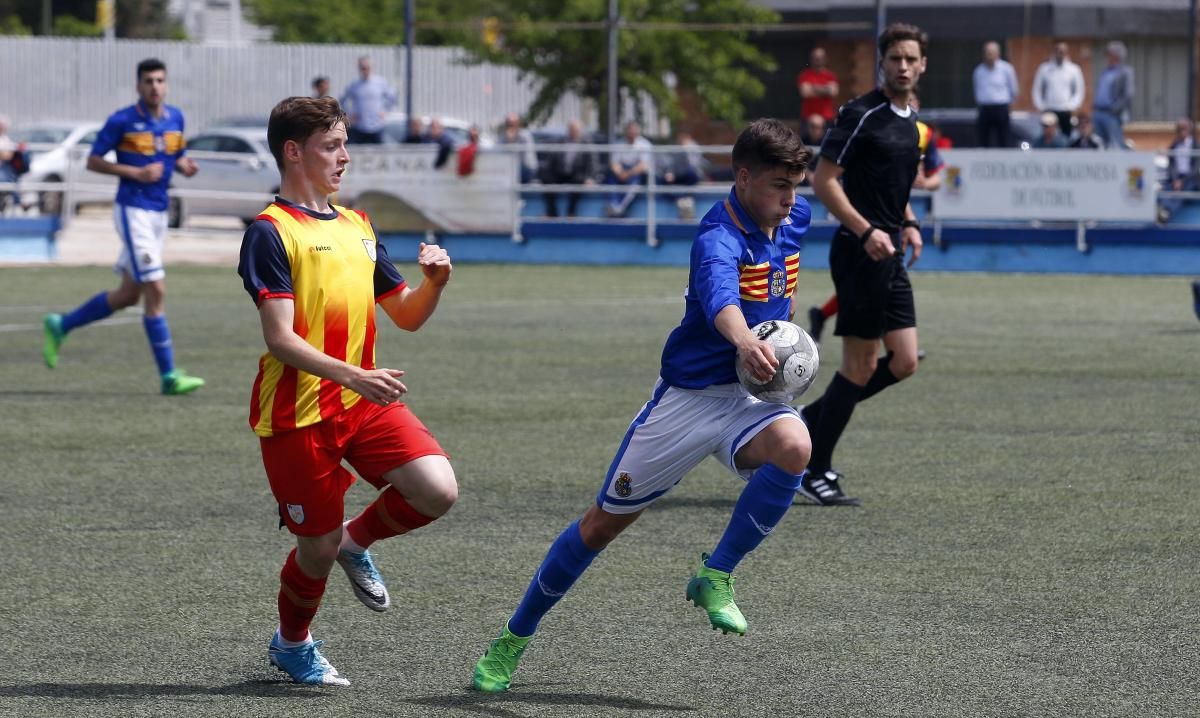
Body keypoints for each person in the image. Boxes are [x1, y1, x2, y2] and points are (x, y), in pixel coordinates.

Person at [471, 118, 814, 693]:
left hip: (744, 397)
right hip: (686, 402)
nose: (791, 199)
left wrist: (781, 331)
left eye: (796, 185)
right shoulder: (717, 238)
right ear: (744, 176)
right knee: (602, 524)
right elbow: (722, 304)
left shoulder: (792, 218)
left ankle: (717, 573)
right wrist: (747, 340)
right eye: (780, 186)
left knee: (795, 447)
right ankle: (513, 637)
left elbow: (785, 274)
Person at [238, 95, 457, 686]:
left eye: (344, 144)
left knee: (436, 489)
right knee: (315, 546)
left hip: (361, 403)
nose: (345, 158)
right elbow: (281, 339)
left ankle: (355, 544)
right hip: (297, 415)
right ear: (294, 151)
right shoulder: (270, 232)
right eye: (331, 146)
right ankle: (292, 643)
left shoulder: (358, 225)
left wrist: (434, 283)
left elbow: (406, 315)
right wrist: (353, 373)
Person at [801, 23, 928, 507]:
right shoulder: (860, 114)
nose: (902, 66)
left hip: (890, 251)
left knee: (905, 361)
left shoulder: (912, 121)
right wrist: (867, 230)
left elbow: (899, 187)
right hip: (861, 252)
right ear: (883, 63)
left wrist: (909, 222)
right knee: (859, 365)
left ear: (921, 65)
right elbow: (824, 180)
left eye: (910, 59)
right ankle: (815, 468)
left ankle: (811, 420)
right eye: (894, 58)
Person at [41, 58, 204, 395]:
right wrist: (135, 173)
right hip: (134, 210)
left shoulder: (176, 118)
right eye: (148, 81)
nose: (154, 86)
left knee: (130, 294)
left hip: (159, 214)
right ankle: (169, 376)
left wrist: (185, 165)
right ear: (138, 86)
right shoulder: (122, 121)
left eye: (160, 80)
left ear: (166, 84)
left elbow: (177, 153)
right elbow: (93, 160)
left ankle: (61, 325)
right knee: (156, 290)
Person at [806, 117, 941, 346]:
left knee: (875, 286)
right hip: (868, 226)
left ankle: (823, 315)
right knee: (868, 288)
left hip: (894, 221)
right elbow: (824, 173)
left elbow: (936, 178)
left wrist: (922, 189)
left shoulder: (923, 133)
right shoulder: (871, 123)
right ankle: (894, 343)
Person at [541, 119, 596, 218]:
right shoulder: (560, 141)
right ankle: (552, 212)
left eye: (576, 130)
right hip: (560, 172)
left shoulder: (586, 143)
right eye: (572, 129)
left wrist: (590, 178)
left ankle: (571, 212)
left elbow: (592, 162)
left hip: (576, 174)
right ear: (568, 130)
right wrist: (547, 172)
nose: (574, 132)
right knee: (546, 179)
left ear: (580, 131)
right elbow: (551, 160)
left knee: (579, 181)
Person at [1032, 41, 1085, 138]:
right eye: (1058, 51)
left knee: (1066, 137)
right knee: (1048, 137)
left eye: (1062, 52)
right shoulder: (1044, 68)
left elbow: (1079, 91)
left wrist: (1072, 106)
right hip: (1049, 109)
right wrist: (1041, 106)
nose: (1060, 54)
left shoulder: (1073, 69)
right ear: (1053, 52)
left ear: (1066, 53)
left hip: (1065, 110)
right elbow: (1037, 89)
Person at [339, 56, 397, 144]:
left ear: (371, 67)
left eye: (367, 67)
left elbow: (392, 98)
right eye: (362, 68)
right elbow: (343, 100)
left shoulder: (380, 82)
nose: (365, 70)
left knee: (380, 155)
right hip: (359, 127)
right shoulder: (355, 85)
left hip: (377, 126)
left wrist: (385, 111)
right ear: (359, 68)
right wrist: (350, 114)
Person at [973, 41, 1018, 148]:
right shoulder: (979, 71)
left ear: (998, 53)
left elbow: (1014, 89)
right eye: (987, 53)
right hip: (985, 108)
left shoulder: (1006, 69)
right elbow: (976, 89)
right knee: (983, 139)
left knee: (1003, 139)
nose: (989, 56)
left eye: (991, 53)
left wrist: (1009, 104)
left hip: (1001, 108)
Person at [1092, 41, 1135, 150]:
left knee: (1116, 144)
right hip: (1098, 112)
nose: (1106, 57)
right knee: (1100, 145)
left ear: (1116, 55)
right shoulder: (1105, 71)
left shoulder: (1125, 72)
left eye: (1109, 54)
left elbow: (1128, 94)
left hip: (1112, 114)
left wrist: (1115, 109)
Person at [605, 120, 652, 218]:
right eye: (630, 130)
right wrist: (621, 173)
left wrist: (628, 173)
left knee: (636, 180)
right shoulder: (618, 144)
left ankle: (620, 208)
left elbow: (643, 165)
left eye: (634, 130)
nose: (632, 133)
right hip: (620, 172)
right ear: (626, 131)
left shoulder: (644, 144)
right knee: (610, 178)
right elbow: (614, 163)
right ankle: (613, 205)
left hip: (635, 173)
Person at [659, 130, 705, 220]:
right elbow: (669, 163)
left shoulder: (694, 148)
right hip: (677, 176)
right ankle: (683, 201)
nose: (681, 139)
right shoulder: (675, 147)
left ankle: (684, 203)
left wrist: (686, 149)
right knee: (663, 181)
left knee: (691, 175)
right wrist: (669, 172)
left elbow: (693, 165)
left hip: (689, 176)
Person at [1159, 117, 1197, 222]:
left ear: (1190, 130)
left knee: (1180, 194)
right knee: (1165, 191)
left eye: (1184, 128)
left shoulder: (1195, 147)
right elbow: (1171, 165)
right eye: (1179, 129)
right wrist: (1176, 179)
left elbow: (1195, 169)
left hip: (1189, 179)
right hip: (1175, 177)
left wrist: (1182, 181)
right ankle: (1164, 210)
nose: (1182, 131)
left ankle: (1166, 213)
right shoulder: (1174, 146)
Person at [797, 47, 839, 124]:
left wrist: (812, 88)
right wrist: (825, 89)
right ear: (811, 59)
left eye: (820, 58)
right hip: (808, 118)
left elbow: (833, 92)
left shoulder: (830, 76)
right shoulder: (805, 75)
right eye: (815, 58)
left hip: (827, 118)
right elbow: (805, 93)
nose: (818, 60)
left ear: (825, 59)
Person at [498, 113, 537, 184]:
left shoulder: (525, 135)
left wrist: (511, 140)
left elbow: (526, 159)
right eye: (509, 124)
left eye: (514, 124)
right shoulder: (502, 137)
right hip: (508, 169)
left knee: (516, 169)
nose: (511, 126)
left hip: (526, 169)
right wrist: (508, 140)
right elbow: (499, 155)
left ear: (518, 124)